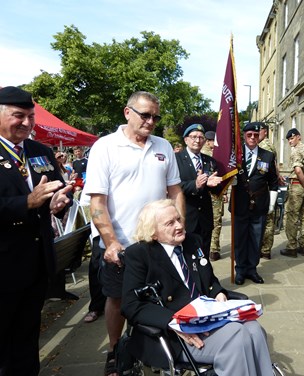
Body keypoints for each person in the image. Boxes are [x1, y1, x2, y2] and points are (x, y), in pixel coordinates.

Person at [84, 91, 184, 376]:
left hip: (156, 242)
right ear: (127, 112)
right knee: (117, 300)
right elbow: (97, 201)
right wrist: (110, 241)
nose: (151, 121)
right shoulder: (105, 147)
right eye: (145, 115)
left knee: (156, 297)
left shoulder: (163, 146)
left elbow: (175, 191)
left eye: (156, 116)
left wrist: (179, 226)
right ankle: (117, 350)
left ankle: (148, 347)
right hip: (121, 243)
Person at [121, 199, 274, 376]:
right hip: (176, 333)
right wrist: (173, 322)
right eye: (170, 223)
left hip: (207, 317)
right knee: (237, 336)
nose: (179, 226)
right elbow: (130, 305)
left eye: (178, 219)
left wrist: (218, 292)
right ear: (153, 232)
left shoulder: (192, 242)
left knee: (254, 329)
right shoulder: (139, 254)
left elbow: (209, 280)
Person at [0, 86, 72, 376]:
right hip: (3, 265)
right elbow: (28, 200)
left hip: (37, 263)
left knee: (28, 337)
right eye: (19, 116)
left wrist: (60, 202)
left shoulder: (40, 150)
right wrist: (26, 202)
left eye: (31, 116)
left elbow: (57, 190)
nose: (28, 124)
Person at [233, 122, 279, 285]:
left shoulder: (268, 155)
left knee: (256, 238)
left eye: (255, 135)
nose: (252, 138)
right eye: (249, 135)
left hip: (260, 203)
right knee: (240, 238)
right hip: (239, 203)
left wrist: (271, 204)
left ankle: (252, 269)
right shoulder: (236, 155)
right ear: (244, 136)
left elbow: (274, 182)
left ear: (260, 136)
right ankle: (240, 269)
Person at [175, 124, 222, 258]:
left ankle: (205, 279)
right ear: (186, 140)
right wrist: (195, 184)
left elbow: (216, 188)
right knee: (186, 256)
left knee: (204, 256)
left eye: (201, 137)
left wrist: (214, 185)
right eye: (194, 137)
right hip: (186, 215)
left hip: (205, 218)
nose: (197, 140)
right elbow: (174, 186)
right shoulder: (176, 159)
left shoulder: (210, 161)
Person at [280, 129, 304, 258]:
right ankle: (303, 246)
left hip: (298, 185)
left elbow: (298, 170)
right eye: (288, 140)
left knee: (291, 217)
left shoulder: (296, 150)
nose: (290, 141)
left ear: (298, 137)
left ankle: (292, 247)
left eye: (292, 138)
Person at [201, 130, 228, 261]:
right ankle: (214, 249)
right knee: (216, 221)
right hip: (213, 193)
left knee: (208, 221)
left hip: (206, 193)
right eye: (214, 141)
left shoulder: (200, 153)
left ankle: (208, 248)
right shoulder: (210, 155)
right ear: (208, 141)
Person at [258, 122, 281, 259]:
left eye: (259, 131)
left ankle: (265, 249)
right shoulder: (266, 145)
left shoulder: (265, 146)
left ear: (265, 132)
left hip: (266, 187)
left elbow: (266, 170)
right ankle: (264, 249)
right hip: (267, 186)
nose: (256, 134)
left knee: (268, 219)